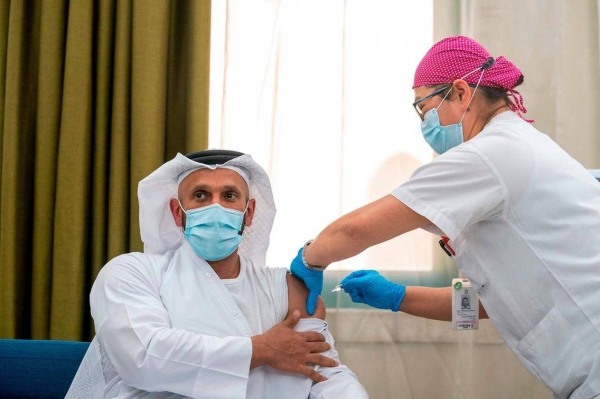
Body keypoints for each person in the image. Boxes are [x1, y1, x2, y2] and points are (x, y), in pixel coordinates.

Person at [290, 36, 600, 399]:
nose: (425, 123)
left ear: (460, 91)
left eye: (424, 107)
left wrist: (310, 259)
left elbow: (357, 229)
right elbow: (495, 300)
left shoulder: (492, 154)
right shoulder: (517, 149)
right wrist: (396, 296)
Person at [67, 149, 368, 399]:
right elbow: (143, 357)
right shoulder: (132, 274)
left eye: (229, 196)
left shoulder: (285, 289)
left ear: (248, 213)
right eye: (200, 195)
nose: (215, 207)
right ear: (177, 212)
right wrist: (261, 349)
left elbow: (325, 372)